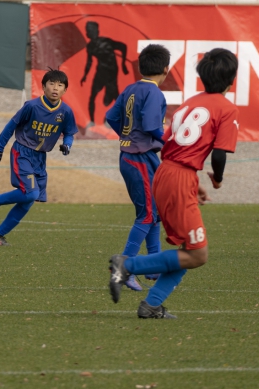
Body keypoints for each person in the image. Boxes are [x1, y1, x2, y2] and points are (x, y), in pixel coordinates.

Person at [108, 48, 239, 319]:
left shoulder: (190, 102)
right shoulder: (226, 108)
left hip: (168, 172)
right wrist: (217, 178)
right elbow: (219, 154)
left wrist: (191, 180)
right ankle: (127, 264)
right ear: (231, 81)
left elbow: (171, 142)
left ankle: (151, 304)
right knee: (198, 255)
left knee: (188, 251)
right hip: (178, 178)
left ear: (202, 77)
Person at [0, 69, 78, 245]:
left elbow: (69, 134)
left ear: (65, 90)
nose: (55, 88)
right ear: (43, 87)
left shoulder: (66, 112)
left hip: (40, 157)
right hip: (22, 152)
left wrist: (67, 144)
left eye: (60, 85)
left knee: (29, 201)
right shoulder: (32, 106)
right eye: (51, 83)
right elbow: (9, 127)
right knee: (30, 193)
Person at [105, 44, 171, 292]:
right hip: (140, 158)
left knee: (154, 213)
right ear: (166, 69)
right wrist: (169, 142)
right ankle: (124, 267)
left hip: (132, 156)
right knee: (146, 214)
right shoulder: (154, 93)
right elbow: (152, 125)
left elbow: (112, 117)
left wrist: (126, 135)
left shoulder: (131, 89)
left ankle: (154, 267)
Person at [80, 21, 129, 126]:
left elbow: (123, 46)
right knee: (93, 96)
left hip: (111, 73)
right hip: (100, 72)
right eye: (88, 31)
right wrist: (85, 75)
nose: (89, 33)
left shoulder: (107, 42)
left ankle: (116, 120)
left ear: (97, 31)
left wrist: (123, 64)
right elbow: (89, 62)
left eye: (92, 30)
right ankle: (92, 121)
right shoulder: (90, 46)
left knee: (115, 97)